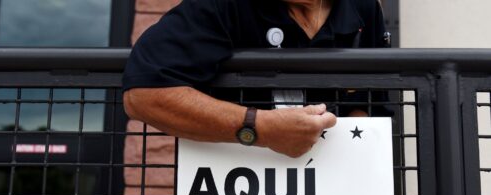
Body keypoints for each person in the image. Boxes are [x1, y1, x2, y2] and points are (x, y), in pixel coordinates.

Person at [123, 0, 387, 158]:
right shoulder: (224, 5)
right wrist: (260, 128)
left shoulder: (364, 8)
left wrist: (354, 150)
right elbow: (143, 96)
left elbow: (373, 106)